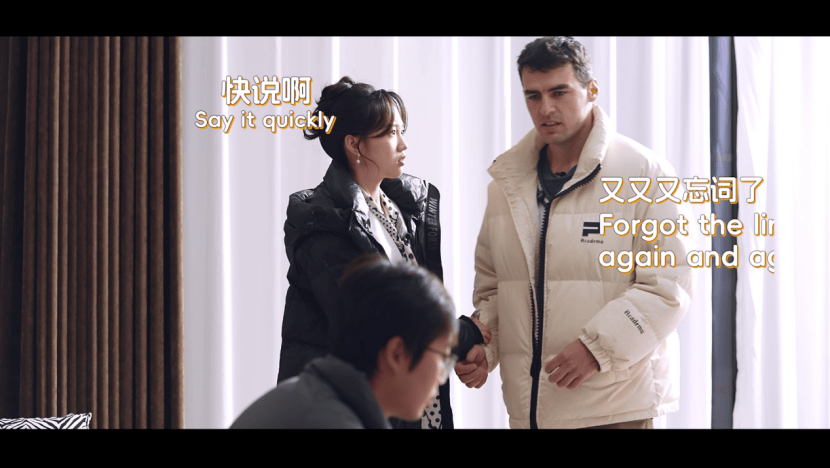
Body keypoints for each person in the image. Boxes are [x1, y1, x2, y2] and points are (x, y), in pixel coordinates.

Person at [455, 37, 694, 429]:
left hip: (614, 409)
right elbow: (496, 289)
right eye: (533, 95)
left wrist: (597, 348)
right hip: (530, 412)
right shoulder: (505, 184)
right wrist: (486, 347)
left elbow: (669, 285)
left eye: (559, 92)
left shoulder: (646, 174)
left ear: (591, 89)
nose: (545, 108)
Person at [279, 76, 488, 429]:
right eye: (391, 133)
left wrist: (459, 349)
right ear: (354, 144)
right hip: (348, 411)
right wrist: (463, 333)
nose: (404, 144)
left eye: (402, 131)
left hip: (414, 401)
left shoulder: (405, 209)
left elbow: (418, 311)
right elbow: (375, 325)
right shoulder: (325, 222)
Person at [232, 255, 458, 429]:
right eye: (443, 358)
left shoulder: (300, 395)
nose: (441, 378)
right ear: (396, 354)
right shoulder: (331, 421)